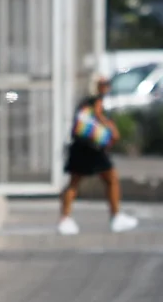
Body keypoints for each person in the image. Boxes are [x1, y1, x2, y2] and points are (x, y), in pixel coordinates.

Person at [57, 77, 139, 235]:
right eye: (104, 84)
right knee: (110, 179)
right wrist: (111, 128)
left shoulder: (84, 102)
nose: (107, 87)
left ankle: (65, 219)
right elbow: (98, 118)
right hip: (93, 148)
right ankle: (115, 217)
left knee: (75, 182)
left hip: (80, 146)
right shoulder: (95, 102)